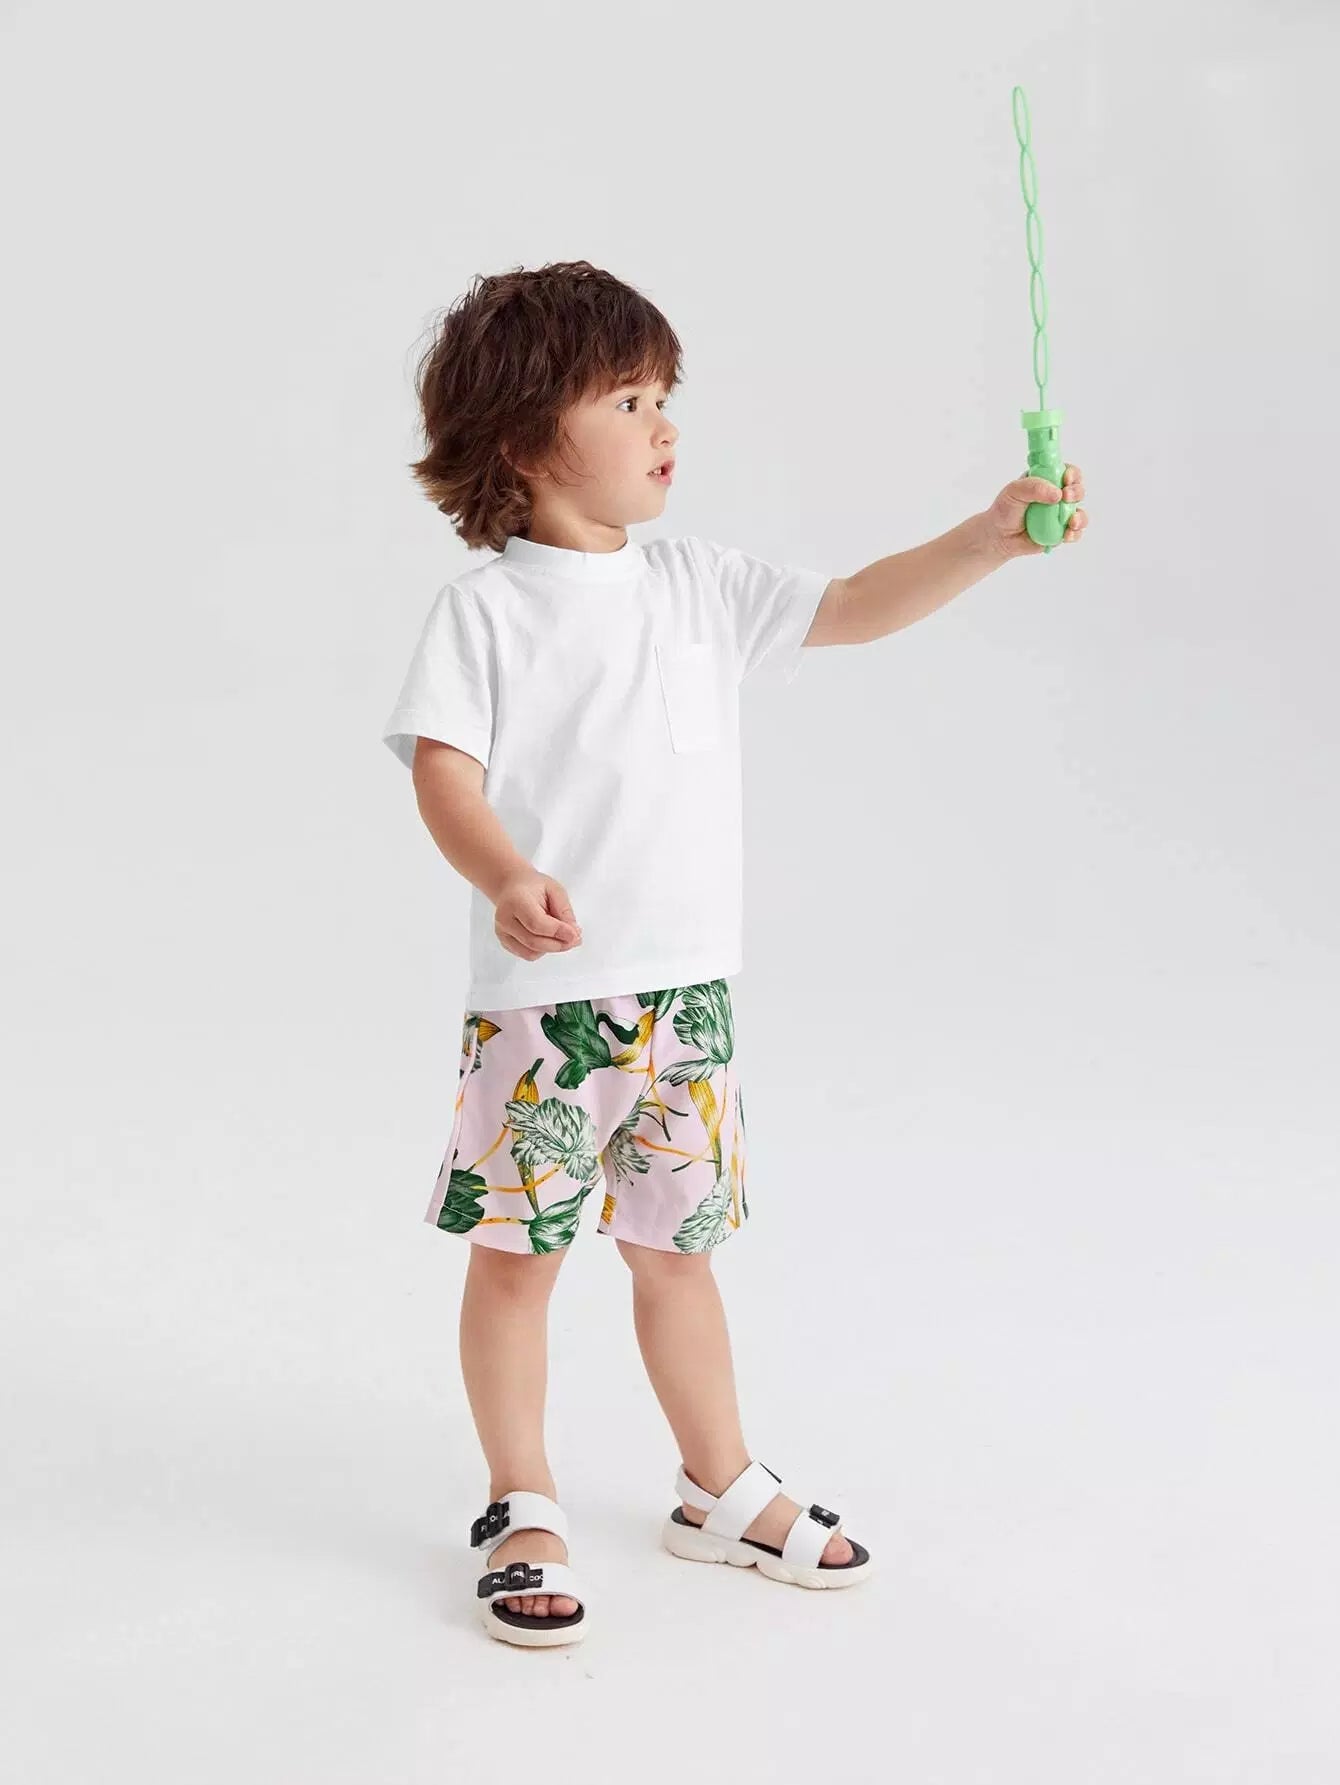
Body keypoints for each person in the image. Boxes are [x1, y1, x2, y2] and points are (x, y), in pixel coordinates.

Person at [380, 259, 1088, 1648]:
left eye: (665, 396)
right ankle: (520, 1499)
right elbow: (444, 774)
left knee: (680, 1254)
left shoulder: (697, 584)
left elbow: (856, 602)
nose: (665, 424)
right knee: (519, 1259)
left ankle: (717, 1484)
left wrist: (988, 540)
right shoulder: (484, 612)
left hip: (687, 1001)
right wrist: (506, 874)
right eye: (627, 399)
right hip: (542, 1009)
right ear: (523, 438)